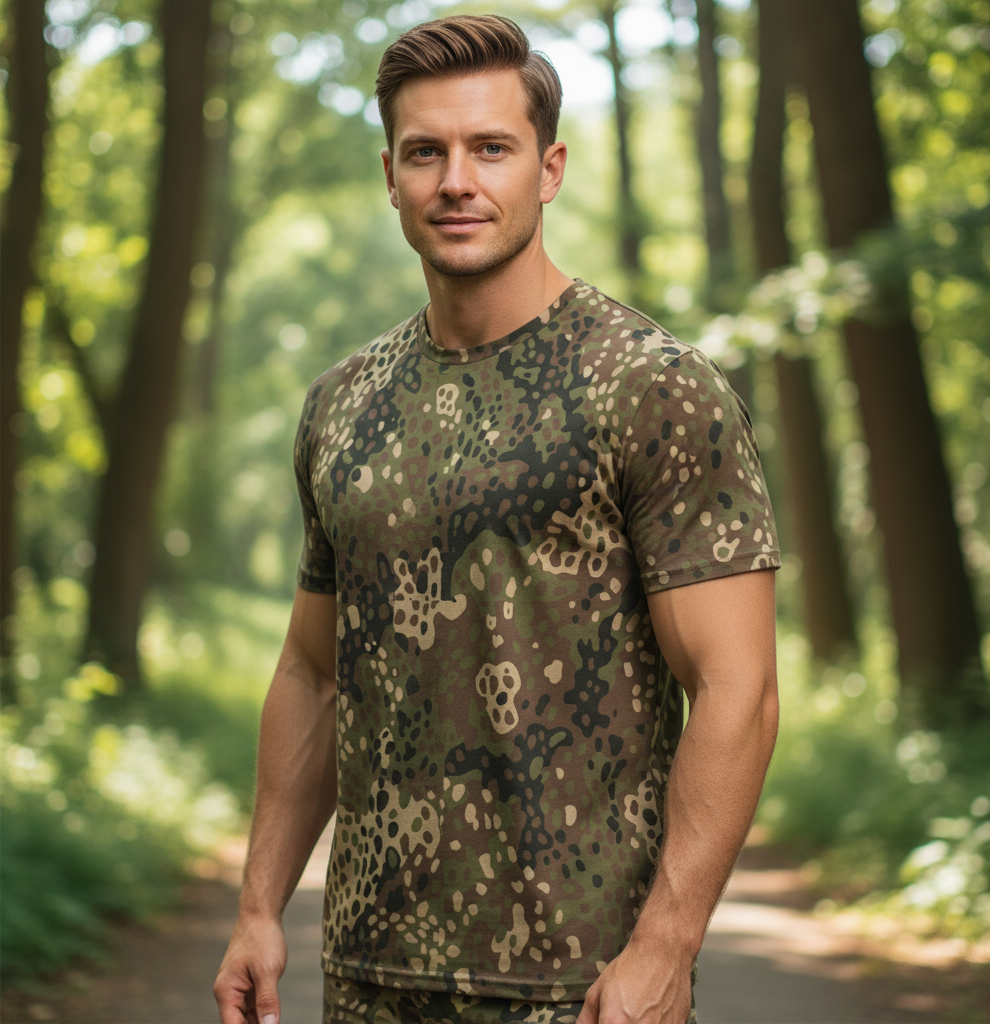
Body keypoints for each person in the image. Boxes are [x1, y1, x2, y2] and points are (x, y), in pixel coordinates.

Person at [215, 14, 780, 1024]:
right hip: (369, 980)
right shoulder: (342, 404)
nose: (456, 182)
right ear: (391, 176)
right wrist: (259, 908)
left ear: (548, 169)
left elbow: (736, 686)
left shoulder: (651, 387)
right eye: (425, 152)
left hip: (584, 990)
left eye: (490, 148)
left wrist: (666, 945)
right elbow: (311, 671)